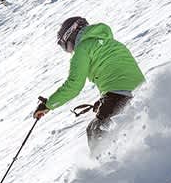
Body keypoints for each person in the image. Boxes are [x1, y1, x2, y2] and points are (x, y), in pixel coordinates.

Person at [34, 17, 145, 152]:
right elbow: (118, 72)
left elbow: (74, 85)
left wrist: (48, 105)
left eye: (66, 46)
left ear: (72, 34)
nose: (70, 51)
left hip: (119, 94)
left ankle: (107, 168)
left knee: (95, 131)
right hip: (141, 91)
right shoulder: (110, 42)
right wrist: (104, 98)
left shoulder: (82, 49)